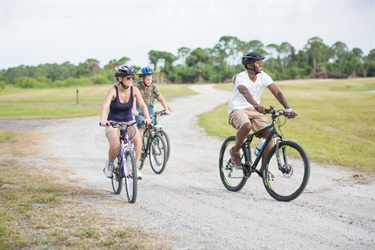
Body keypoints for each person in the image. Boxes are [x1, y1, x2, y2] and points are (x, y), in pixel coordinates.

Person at [228, 51, 297, 177]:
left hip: (254, 110)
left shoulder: (263, 76)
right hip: (238, 109)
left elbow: (277, 92)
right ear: (249, 65)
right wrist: (255, 104)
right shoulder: (241, 77)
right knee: (247, 126)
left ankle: (263, 168)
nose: (260, 64)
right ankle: (235, 151)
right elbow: (244, 91)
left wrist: (288, 108)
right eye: (257, 62)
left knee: (269, 135)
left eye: (260, 62)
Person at [99, 65, 152, 180]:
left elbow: (142, 105)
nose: (131, 80)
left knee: (138, 141)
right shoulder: (113, 90)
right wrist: (103, 120)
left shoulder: (134, 90)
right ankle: (110, 164)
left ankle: (135, 168)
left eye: (132, 78)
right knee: (116, 145)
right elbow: (105, 105)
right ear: (119, 78)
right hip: (113, 123)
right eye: (128, 78)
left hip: (129, 121)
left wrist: (147, 118)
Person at [133, 66, 172, 138]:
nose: (149, 81)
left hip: (149, 107)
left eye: (151, 79)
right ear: (142, 78)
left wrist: (166, 109)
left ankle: (152, 143)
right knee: (141, 127)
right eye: (147, 79)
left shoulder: (153, 87)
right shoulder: (136, 87)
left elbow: (161, 99)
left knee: (153, 126)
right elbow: (134, 99)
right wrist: (135, 110)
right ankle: (139, 147)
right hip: (139, 108)